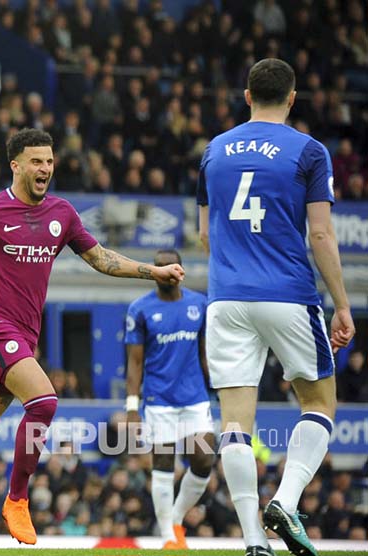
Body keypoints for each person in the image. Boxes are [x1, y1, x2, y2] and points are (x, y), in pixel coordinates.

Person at [0, 128, 184, 545]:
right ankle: (16, 499)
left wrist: (152, 271)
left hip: (24, 336)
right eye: (36, 161)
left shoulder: (62, 213)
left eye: (49, 161)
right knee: (45, 401)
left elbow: (101, 259)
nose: (45, 168)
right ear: (16, 165)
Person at [197, 58, 354, 556]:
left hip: (226, 298)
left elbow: (205, 233)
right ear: (291, 98)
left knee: (236, 423)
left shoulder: (213, 151)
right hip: (288, 295)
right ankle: (285, 501)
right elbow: (323, 234)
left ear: (246, 96)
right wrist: (343, 305)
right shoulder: (309, 151)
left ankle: (252, 542)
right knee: (319, 403)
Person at [124, 248, 214, 550]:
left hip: (195, 398)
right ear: (153, 271)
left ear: (181, 270)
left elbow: (205, 353)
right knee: (162, 462)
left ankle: (175, 519)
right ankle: (167, 537)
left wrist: (219, 385)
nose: (164, 271)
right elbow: (134, 363)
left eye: (170, 267)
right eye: (158, 267)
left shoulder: (199, 304)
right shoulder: (139, 309)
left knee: (204, 458)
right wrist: (132, 408)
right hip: (158, 399)